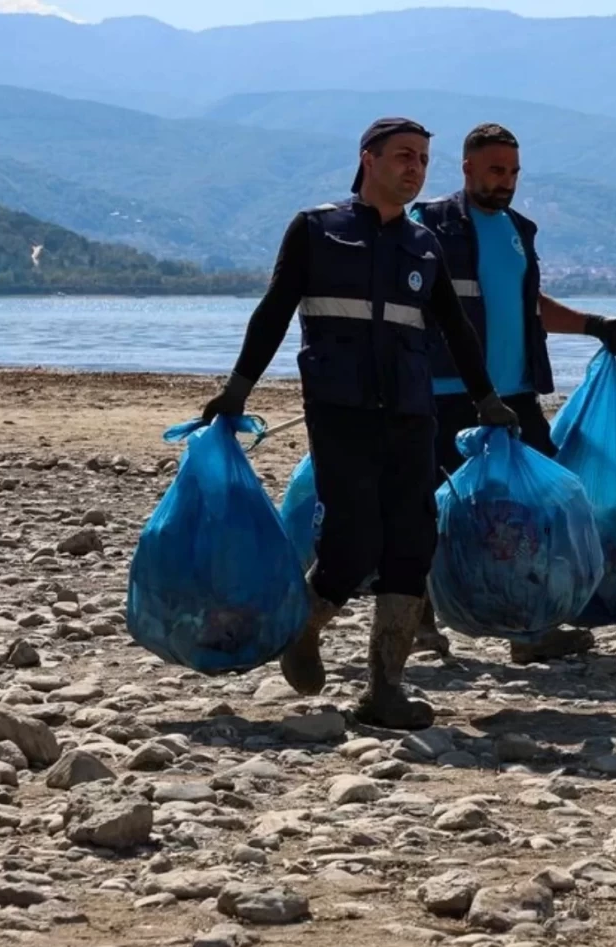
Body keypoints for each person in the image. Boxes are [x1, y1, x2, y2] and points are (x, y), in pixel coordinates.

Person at [200, 117, 519, 730]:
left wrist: (486, 399)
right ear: (367, 159)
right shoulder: (318, 230)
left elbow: (456, 329)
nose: (415, 169)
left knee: (412, 544)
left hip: (409, 414)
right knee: (351, 545)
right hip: (340, 411)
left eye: (424, 159)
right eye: (404, 156)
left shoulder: (424, 245)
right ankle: (306, 627)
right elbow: (272, 313)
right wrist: (237, 391)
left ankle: (384, 689)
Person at [411, 122, 616, 664]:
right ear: (466, 168)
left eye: (512, 171)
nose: (505, 181)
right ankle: (419, 630)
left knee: (542, 510)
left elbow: (527, 302)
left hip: (514, 398)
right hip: (446, 394)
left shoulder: (517, 230)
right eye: (494, 170)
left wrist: (593, 324)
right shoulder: (429, 225)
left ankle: (530, 630)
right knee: (428, 517)